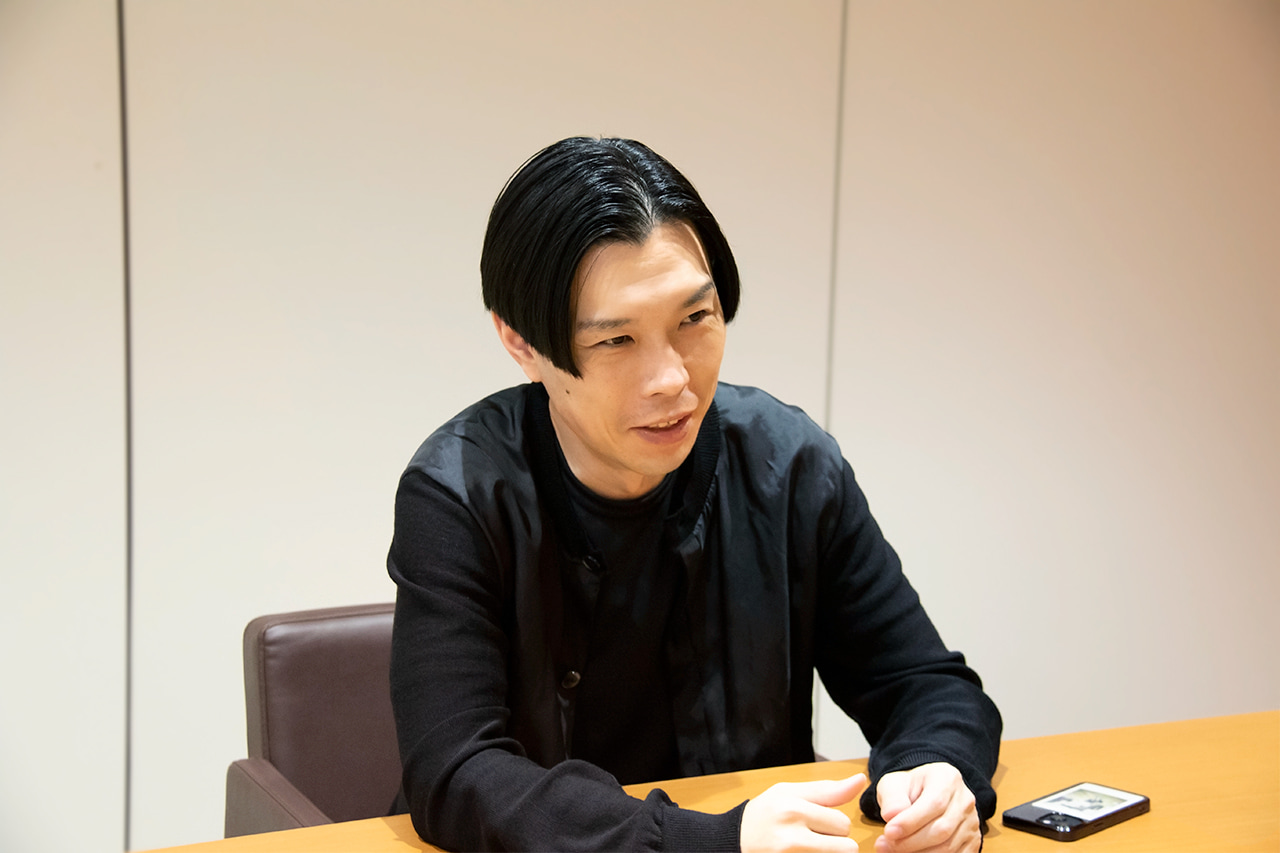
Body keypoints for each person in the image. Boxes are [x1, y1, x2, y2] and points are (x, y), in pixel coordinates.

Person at [387, 136, 1002, 852]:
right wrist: (709, 843)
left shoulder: (787, 464)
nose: (673, 379)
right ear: (520, 342)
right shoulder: (459, 492)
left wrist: (934, 769)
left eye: (694, 320)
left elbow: (925, 684)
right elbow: (457, 773)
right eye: (616, 341)